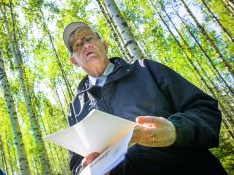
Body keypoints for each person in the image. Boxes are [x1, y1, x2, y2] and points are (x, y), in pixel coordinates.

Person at [63, 22, 227, 175]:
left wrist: (175, 130)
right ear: (74, 61)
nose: (86, 45)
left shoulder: (145, 69)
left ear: (104, 44)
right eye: (78, 45)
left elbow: (206, 110)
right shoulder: (76, 108)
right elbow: (78, 164)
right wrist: (87, 169)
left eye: (89, 38)